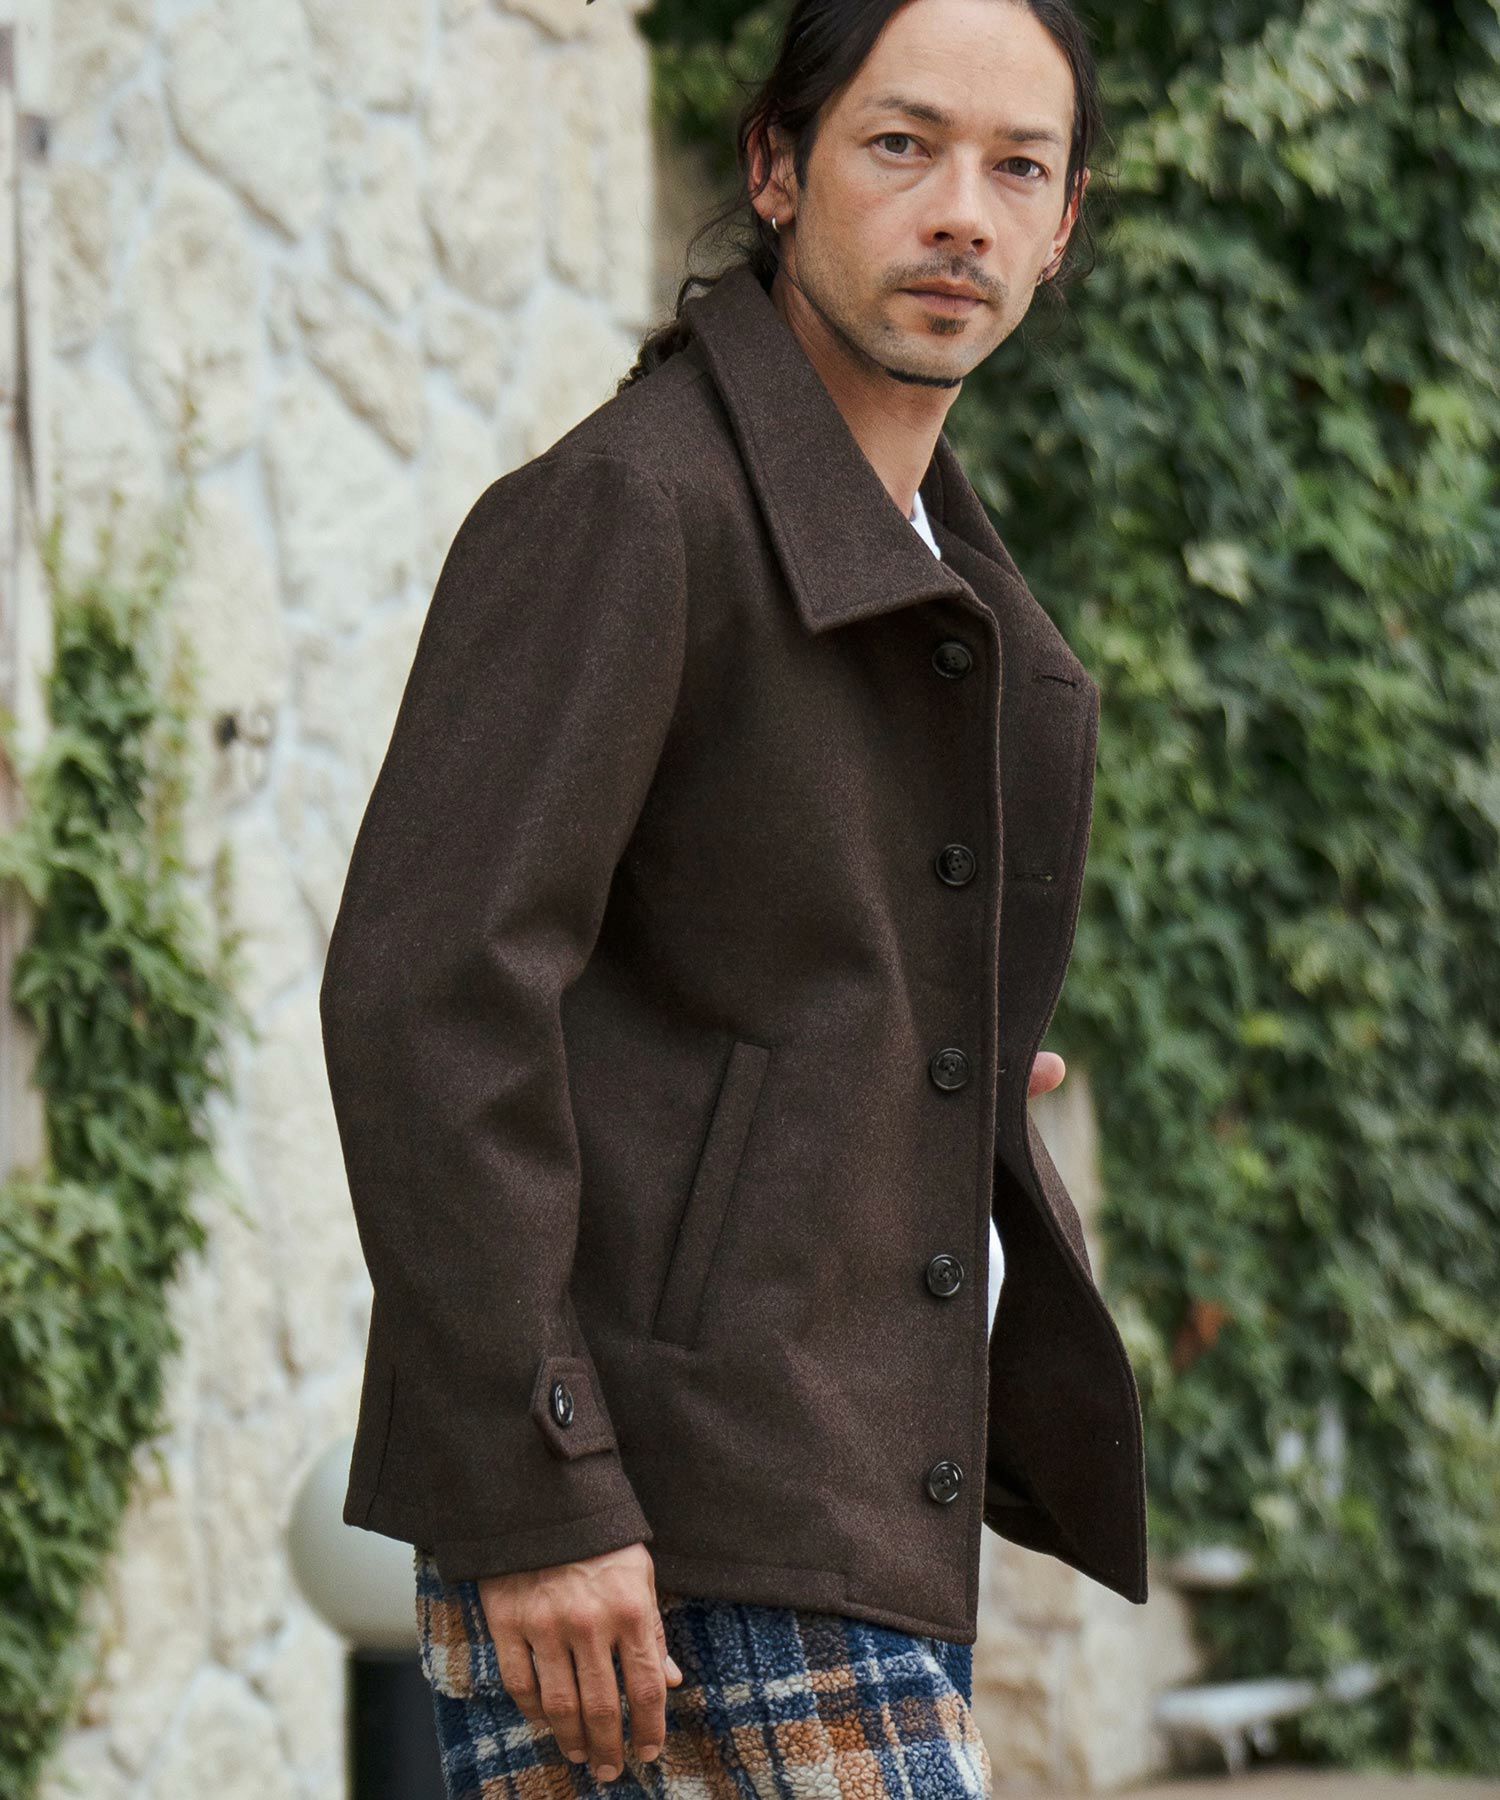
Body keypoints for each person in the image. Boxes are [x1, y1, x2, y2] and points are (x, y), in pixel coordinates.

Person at [319, 1, 1147, 1794]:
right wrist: (539, 1491)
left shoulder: (936, 576)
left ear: (1065, 226)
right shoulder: (631, 509)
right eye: (901, 144)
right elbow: (428, 996)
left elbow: (758, 1000)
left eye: (1020, 168)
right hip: (662, 1530)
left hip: (837, 1492)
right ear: (777, 166)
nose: (963, 213)